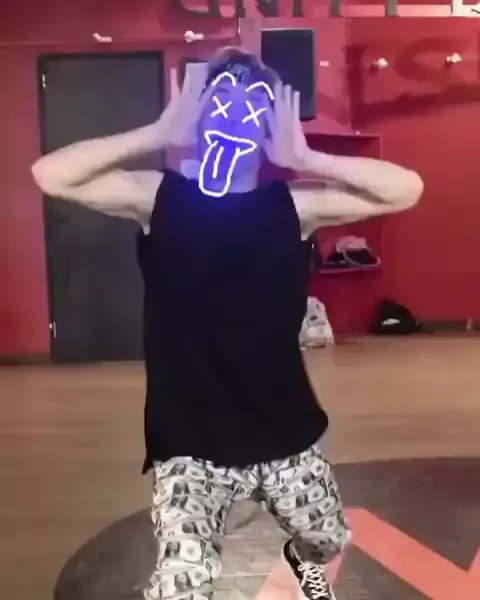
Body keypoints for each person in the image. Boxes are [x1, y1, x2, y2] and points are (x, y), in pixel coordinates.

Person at [32, 47, 424, 600]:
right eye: (222, 100)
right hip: (188, 442)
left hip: (282, 430)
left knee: (327, 539)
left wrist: (305, 156)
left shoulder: (294, 206)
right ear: (197, 115)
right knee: (183, 587)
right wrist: (157, 132)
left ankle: (302, 557)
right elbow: (50, 174)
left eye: (253, 104)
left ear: (270, 126)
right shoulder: (158, 199)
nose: (237, 114)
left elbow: (406, 189)